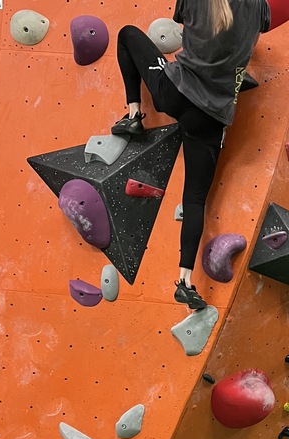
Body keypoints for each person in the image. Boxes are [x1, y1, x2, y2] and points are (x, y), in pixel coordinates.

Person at [112, 0, 271, 309]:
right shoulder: (259, 7)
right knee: (195, 199)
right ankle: (184, 282)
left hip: (176, 90)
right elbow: (259, 30)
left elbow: (183, 22)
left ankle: (133, 115)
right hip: (211, 116)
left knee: (127, 34)